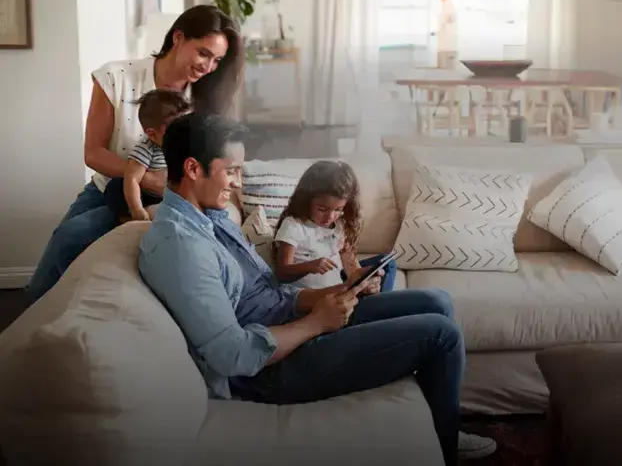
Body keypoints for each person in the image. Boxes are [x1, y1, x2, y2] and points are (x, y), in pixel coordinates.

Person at [138, 113, 496, 464]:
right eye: (230, 170)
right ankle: (446, 444)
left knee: (436, 301)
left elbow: (270, 292)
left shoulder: (211, 217)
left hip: (293, 324)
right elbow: (233, 356)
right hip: (272, 368)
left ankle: (439, 421)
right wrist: (318, 323)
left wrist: (329, 296)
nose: (237, 182)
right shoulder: (181, 246)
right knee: (441, 335)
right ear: (192, 169)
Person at [26, 5, 243, 301]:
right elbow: (93, 153)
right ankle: (30, 316)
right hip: (111, 187)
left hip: (176, 197)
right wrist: (145, 179)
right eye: (203, 53)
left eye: (217, 60)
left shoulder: (207, 97)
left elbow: (218, 162)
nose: (208, 67)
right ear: (178, 38)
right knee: (69, 237)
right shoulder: (116, 77)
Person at [272, 160, 396, 293]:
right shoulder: (294, 225)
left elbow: (352, 269)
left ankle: (374, 302)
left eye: (338, 209)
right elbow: (281, 273)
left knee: (387, 265)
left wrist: (366, 284)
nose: (330, 216)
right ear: (306, 201)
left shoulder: (339, 225)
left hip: (342, 291)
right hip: (316, 299)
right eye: (322, 209)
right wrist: (309, 266)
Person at [102, 89, 191, 222]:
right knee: (116, 187)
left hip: (173, 196)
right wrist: (137, 209)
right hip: (148, 197)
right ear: (152, 134)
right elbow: (132, 179)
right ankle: (128, 218)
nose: (183, 133)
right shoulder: (146, 149)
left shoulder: (186, 146)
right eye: (175, 129)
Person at [435, 0, 458, 69]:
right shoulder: (440, 4)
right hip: (442, 43)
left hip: (449, 44)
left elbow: (451, 20)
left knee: (448, 68)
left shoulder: (450, 3)